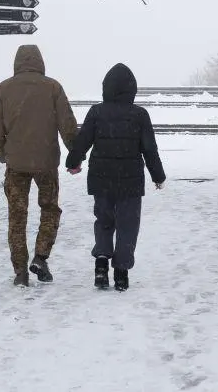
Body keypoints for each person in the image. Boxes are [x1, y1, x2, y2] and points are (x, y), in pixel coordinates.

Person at [65, 63, 166, 292]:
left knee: (104, 221)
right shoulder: (140, 115)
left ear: (106, 88)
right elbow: (149, 149)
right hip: (130, 182)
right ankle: (121, 273)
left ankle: (101, 264)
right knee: (128, 225)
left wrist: (73, 162)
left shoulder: (96, 112)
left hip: (101, 178)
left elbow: (83, 141)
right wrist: (157, 176)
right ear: (132, 90)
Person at [0, 45, 78, 287]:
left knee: (17, 216)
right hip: (47, 162)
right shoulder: (53, 88)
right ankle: (40, 256)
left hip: (16, 164)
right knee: (49, 209)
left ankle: (20, 271)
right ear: (40, 62)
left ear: (17, 62)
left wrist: (3, 154)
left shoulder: (4, 90)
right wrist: (75, 154)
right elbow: (67, 124)